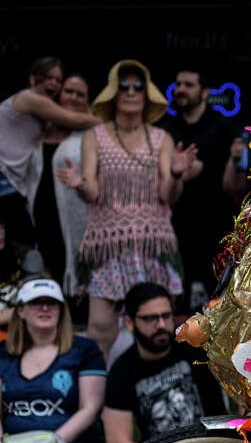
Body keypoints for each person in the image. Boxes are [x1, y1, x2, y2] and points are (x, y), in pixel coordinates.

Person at [59, 59, 196, 360]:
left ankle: (158, 397)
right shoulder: (95, 136)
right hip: (107, 245)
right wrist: (80, 182)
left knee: (158, 327)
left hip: (153, 245)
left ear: (147, 95)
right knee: (100, 329)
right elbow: (92, 193)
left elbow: (167, 196)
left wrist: (174, 174)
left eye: (138, 86)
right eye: (124, 86)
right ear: (113, 93)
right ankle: (98, 398)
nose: (131, 92)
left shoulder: (161, 138)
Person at [93, 282, 224, 443]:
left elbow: (239, 404)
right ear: (129, 322)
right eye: (151, 318)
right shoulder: (123, 370)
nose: (162, 324)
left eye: (166, 315)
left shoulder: (194, 347)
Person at [0, 278, 106, 443]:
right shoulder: (3, 353)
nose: (45, 308)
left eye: (52, 302)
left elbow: (90, 409)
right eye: (36, 302)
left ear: (61, 310)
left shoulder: (84, 350)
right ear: (20, 311)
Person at [157, 67, 241, 306]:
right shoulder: (166, 130)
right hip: (176, 226)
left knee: (219, 300)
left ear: (205, 92)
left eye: (188, 85)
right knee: (175, 301)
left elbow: (237, 170)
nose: (180, 90)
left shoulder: (224, 126)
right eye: (178, 84)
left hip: (215, 226)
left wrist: (203, 169)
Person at [0, 57, 100, 252]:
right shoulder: (29, 99)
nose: (53, 83)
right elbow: (73, 119)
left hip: (14, 188)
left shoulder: (46, 121)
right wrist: (111, 122)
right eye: (47, 77)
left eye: (57, 80)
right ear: (32, 79)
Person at [41, 73, 92, 290]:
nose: (73, 97)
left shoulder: (91, 134)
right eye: (68, 91)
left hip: (78, 218)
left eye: (80, 95)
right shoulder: (41, 130)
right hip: (42, 217)